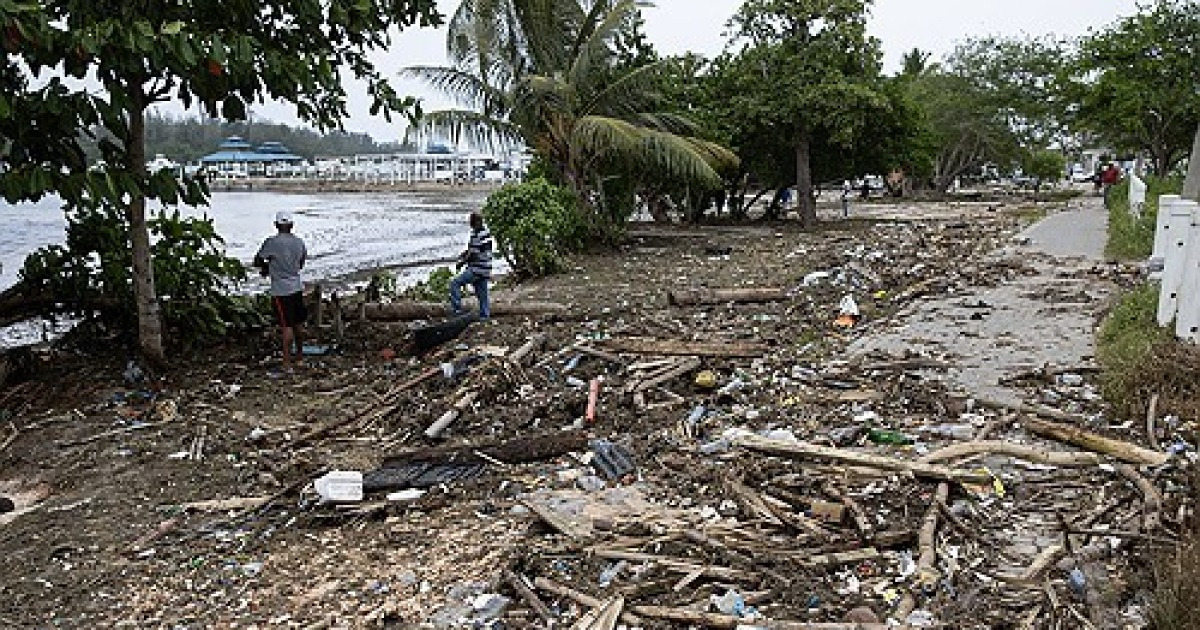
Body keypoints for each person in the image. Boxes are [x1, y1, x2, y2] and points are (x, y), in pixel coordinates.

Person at [254, 211, 307, 369]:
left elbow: (257, 260)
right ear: (291, 225)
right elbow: (301, 264)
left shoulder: (271, 242)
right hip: (296, 287)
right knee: (298, 324)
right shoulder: (299, 242)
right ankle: (299, 356)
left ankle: (286, 362)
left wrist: (267, 267)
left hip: (281, 290)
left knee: (286, 326)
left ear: (276, 225)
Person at [450, 212, 493, 319]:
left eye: (472, 223)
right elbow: (475, 250)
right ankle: (485, 317)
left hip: (477, 269)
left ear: (477, 222)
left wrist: (461, 262)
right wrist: (465, 253)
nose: (471, 225)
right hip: (486, 268)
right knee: (482, 295)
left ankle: (457, 310)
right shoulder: (485, 233)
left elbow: (473, 255)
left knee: (455, 283)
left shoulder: (477, 235)